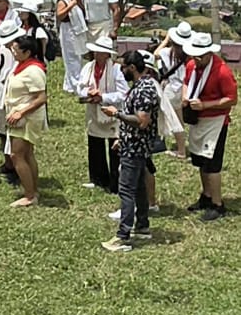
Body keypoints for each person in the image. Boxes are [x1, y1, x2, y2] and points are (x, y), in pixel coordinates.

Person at [100, 51, 160, 251]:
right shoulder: (144, 86)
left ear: (132, 68)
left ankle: (123, 235)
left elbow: (142, 121)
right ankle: (142, 226)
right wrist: (122, 137)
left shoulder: (143, 90)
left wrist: (116, 113)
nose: (122, 71)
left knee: (126, 190)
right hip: (133, 144)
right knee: (139, 187)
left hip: (135, 147)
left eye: (124, 67)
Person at [181, 30, 238, 222]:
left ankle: (217, 204)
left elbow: (231, 100)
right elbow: (186, 82)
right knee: (200, 160)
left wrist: (206, 105)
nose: (195, 61)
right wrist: (184, 97)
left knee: (213, 165)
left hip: (215, 121)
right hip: (198, 119)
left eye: (199, 58)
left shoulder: (222, 72)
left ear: (208, 54)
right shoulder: (191, 65)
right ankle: (206, 195)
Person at [76, 34, 127, 192]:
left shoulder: (116, 70)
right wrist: (89, 93)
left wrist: (103, 97)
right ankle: (98, 179)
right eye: (96, 51)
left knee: (114, 149)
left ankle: (116, 182)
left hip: (111, 112)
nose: (97, 54)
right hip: (93, 110)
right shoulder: (88, 67)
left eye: (100, 52)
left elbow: (123, 93)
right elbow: (79, 87)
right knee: (95, 145)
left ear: (107, 54)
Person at [4, 32, 48, 208]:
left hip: (26, 118)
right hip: (19, 116)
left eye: (16, 49)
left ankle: (29, 195)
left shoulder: (34, 71)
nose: (13, 52)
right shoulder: (21, 66)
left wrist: (21, 112)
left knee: (17, 155)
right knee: (27, 154)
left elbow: (41, 98)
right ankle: (32, 190)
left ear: (27, 52)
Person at [0, 19, 21, 182]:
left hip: (15, 96)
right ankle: (8, 163)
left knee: (13, 134)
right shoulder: (2, 50)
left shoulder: (22, 49)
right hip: (1, 92)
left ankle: (17, 167)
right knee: (1, 131)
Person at [154, 26, 188, 159]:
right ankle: (182, 148)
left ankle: (181, 151)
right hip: (183, 88)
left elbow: (156, 53)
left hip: (171, 89)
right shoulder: (189, 55)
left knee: (174, 121)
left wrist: (166, 39)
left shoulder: (168, 52)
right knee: (179, 119)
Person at [56, 0, 88, 94]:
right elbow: (59, 16)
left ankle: (70, 84)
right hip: (68, 29)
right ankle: (75, 85)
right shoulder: (63, 0)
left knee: (77, 57)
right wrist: (71, 6)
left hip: (77, 30)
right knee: (71, 58)